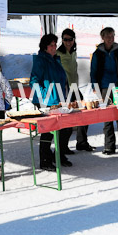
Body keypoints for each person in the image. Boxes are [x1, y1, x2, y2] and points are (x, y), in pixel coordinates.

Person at [90, 27, 118, 157]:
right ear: (102, 38)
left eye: (112, 36)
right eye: (108, 36)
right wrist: (95, 86)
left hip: (117, 87)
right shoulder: (97, 53)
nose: (111, 39)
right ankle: (109, 147)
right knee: (107, 118)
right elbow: (93, 72)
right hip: (104, 88)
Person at [30, 34, 72, 171]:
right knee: (47, 132)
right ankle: (45, 160)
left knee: (66, 128)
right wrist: (44, 97)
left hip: (59, 100)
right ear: (45, 47)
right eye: (51, 45)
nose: (54, 47)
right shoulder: (40, 60)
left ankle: (58, 155)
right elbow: (34, 81)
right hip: (46, 101)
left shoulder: (55, 60)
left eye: (55, 44)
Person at [56, 29, 95, 154]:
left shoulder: (73, 52)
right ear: (62, 40)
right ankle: (63, 146)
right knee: (67, 117)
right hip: (65, 89)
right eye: (65, 39)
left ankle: (82, 142)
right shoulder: (58, 53)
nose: (68, 42)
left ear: (74, 40)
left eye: (70, 39)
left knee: (85, 113)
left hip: (75, 87)